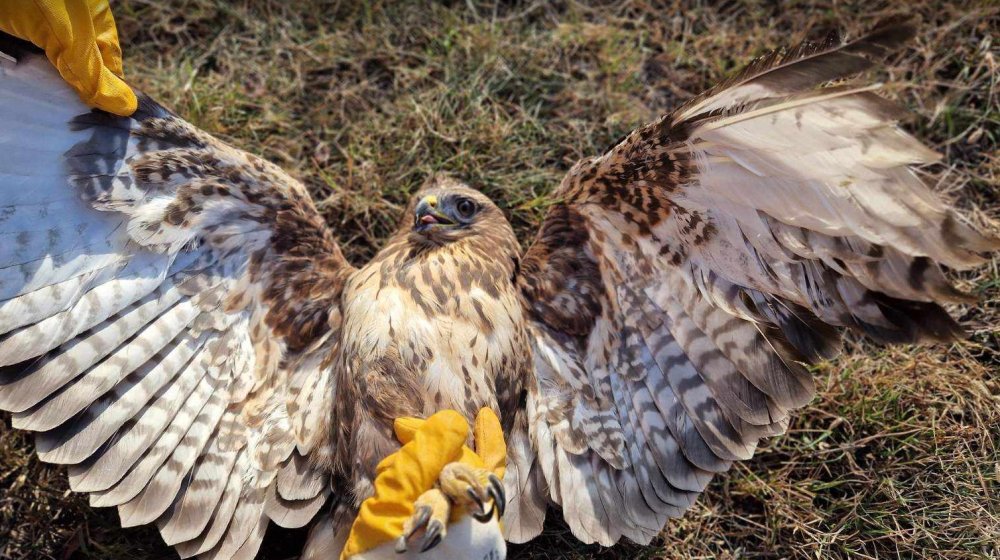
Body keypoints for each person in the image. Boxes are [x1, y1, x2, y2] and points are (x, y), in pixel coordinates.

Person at [0, 2, 507, 558]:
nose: (431, 211)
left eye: (461, 208)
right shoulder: (343, 300)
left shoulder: (541, 307)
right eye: (424, 207)